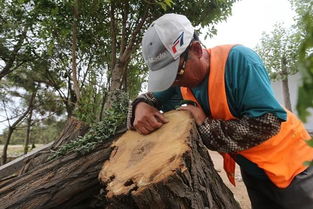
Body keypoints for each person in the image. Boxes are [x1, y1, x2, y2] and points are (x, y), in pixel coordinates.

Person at [127, 13, 313, 209]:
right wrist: (140, 106)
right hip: (254, 170)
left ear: (197, 49)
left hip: (293, 165)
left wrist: (204, 123)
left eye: (175, 73)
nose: (172, 82)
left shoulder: (239, 62)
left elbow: (268, 123)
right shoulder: (180, 78)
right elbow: (150, 98)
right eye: (166, 77)